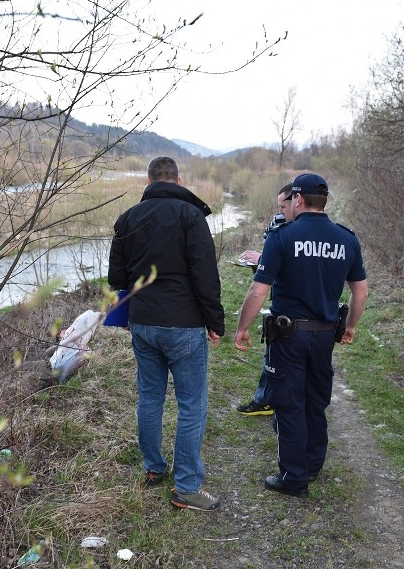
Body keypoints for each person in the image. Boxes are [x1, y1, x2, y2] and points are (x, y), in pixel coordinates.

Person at [233, 173, 368, 497]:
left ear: (297, 199)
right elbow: (360, 292)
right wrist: (350, 326)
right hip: (324, 335)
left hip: (289, 336)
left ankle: (294, 478)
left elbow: (258, 291)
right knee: (316, 401)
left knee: (289, 403)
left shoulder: (283, 237)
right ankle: (311, 465)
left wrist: (242, 328)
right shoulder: (346, 239)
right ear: (323, 202)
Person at [108, 156, 225, 511]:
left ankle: (154, 468)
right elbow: (205, 274)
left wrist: (127, 314)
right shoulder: (190, 216)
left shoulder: (128, 218)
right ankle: (187, 487)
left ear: (148, 182)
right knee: (192, 404)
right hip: (183, 325)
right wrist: (215, 321)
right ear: (178, 180)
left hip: (142, 323)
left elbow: (117, 278)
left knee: (149, 397)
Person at [235, 183, 294, 416]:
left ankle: (278, 403)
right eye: (278, 206)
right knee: (274, 353)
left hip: (301, 311)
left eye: (283, 206)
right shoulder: (277, 223)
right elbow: (269, 268)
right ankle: (266, 398)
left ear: (298, 201)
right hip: (280, 298)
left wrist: (261, 259)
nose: (280, 212)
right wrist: (259, 263)